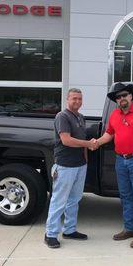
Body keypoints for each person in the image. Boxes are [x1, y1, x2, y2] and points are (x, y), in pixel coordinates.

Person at [92, 83, 133, 248]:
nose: (121, 98)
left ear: (131, 96)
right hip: (120, 160)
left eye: (124, 95)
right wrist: (96, 142)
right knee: (125, 195)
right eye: (118, 97)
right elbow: (109, 134)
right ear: (116, 100)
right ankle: (129, 229)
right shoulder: (114, 114)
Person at [44, 88, 92, 249]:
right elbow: (66, 140)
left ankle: (69, 230)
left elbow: (82, 138)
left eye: (79, 98)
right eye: (74, 98)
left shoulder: (80, 117)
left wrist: (85, 159)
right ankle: (50, 234)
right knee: (59, 200)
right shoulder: (62, 116)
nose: (77, 101)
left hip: (79, 165)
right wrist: (88, 144)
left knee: (74, 200)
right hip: (65, 166)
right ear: (67, 99)